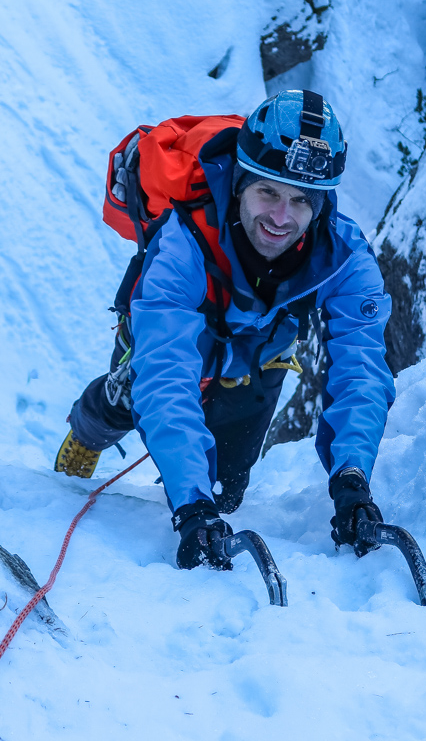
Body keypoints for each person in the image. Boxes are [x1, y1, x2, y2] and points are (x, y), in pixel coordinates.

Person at [55, 90, 395, 570]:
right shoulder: (184, 241)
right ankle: (89, 429)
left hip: (255, 357)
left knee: (227, 492)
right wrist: (190, 510)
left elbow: (360, 367)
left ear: (321, 205)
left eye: (300, 200)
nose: (281, 217)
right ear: (239, 183)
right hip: (169, 340)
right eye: (268, 192)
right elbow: (166, 375)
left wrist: (352, 480)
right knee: (132, 397)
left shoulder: (343, 256)